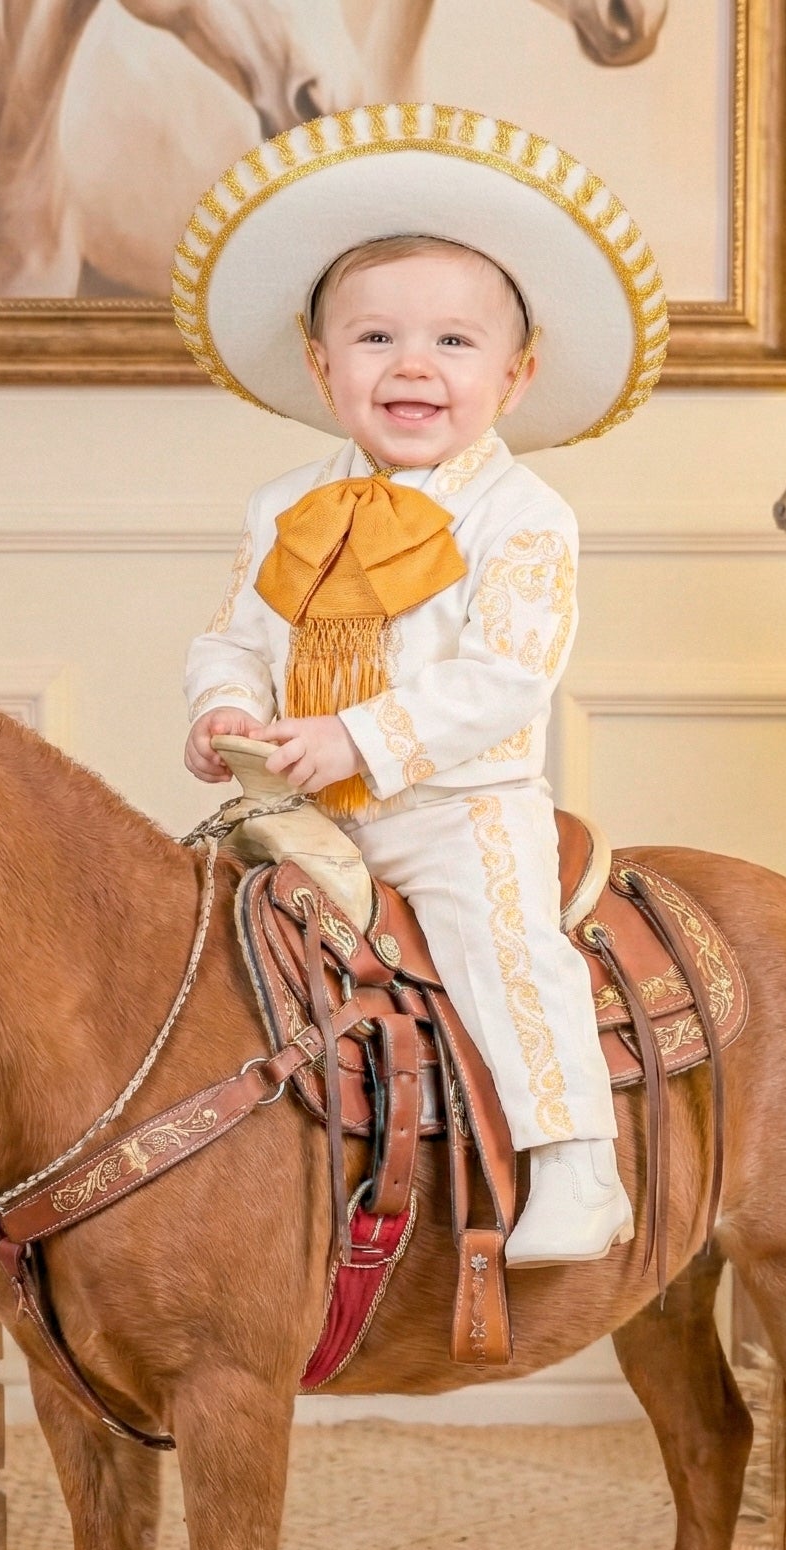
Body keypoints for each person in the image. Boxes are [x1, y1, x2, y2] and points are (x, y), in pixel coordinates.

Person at [173, 105, 669, 1263]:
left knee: (502, 943)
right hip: (302, 800)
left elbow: (503, 678)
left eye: (452, 344)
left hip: (453, 809)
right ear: (319, 363)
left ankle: (575, 1162)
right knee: (187, 936)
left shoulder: (521, 516)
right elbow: (235, 633)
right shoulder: (282, 507)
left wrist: (356, 736)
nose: (411, 367)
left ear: (515, 372)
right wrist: (224, 710)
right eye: (375, 339)